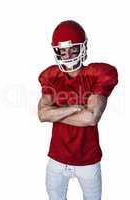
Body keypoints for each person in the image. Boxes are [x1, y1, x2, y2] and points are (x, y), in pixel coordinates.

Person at [38, 20, 118, 200]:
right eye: (63, 50)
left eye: (72, 48)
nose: (67, 54)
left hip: (87, 159)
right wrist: (74, 108)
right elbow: (42, 115)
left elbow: (91, 118)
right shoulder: (51, 75)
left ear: (82, 47)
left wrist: (56, 112)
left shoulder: (98, 73)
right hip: (57, 157)